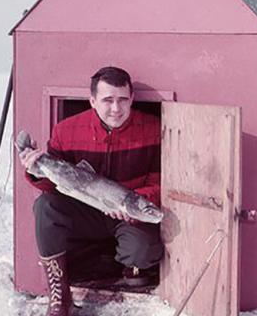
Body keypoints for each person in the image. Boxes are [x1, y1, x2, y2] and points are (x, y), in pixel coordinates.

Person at [18, 66, 163, 316]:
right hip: (85, 211)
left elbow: (161, 180)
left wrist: (136, 205)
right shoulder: (67, 129)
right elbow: (54, 185)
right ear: (92, 101)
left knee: (143, 252)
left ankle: (126, 264)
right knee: (45, 206)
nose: (116, 109)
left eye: (122, 100)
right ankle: (60, 295)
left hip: (128, 214)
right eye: (108, 100)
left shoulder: (153, 129)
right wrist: (34, 169)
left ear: (132, 99)